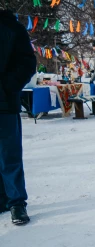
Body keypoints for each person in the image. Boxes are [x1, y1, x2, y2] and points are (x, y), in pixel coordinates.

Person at [0, 9, 37, 225]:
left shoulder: (11, 26)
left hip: (3, 103)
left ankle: (16, 203)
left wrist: (6, 88)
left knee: (9, 155)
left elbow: (27, 63)